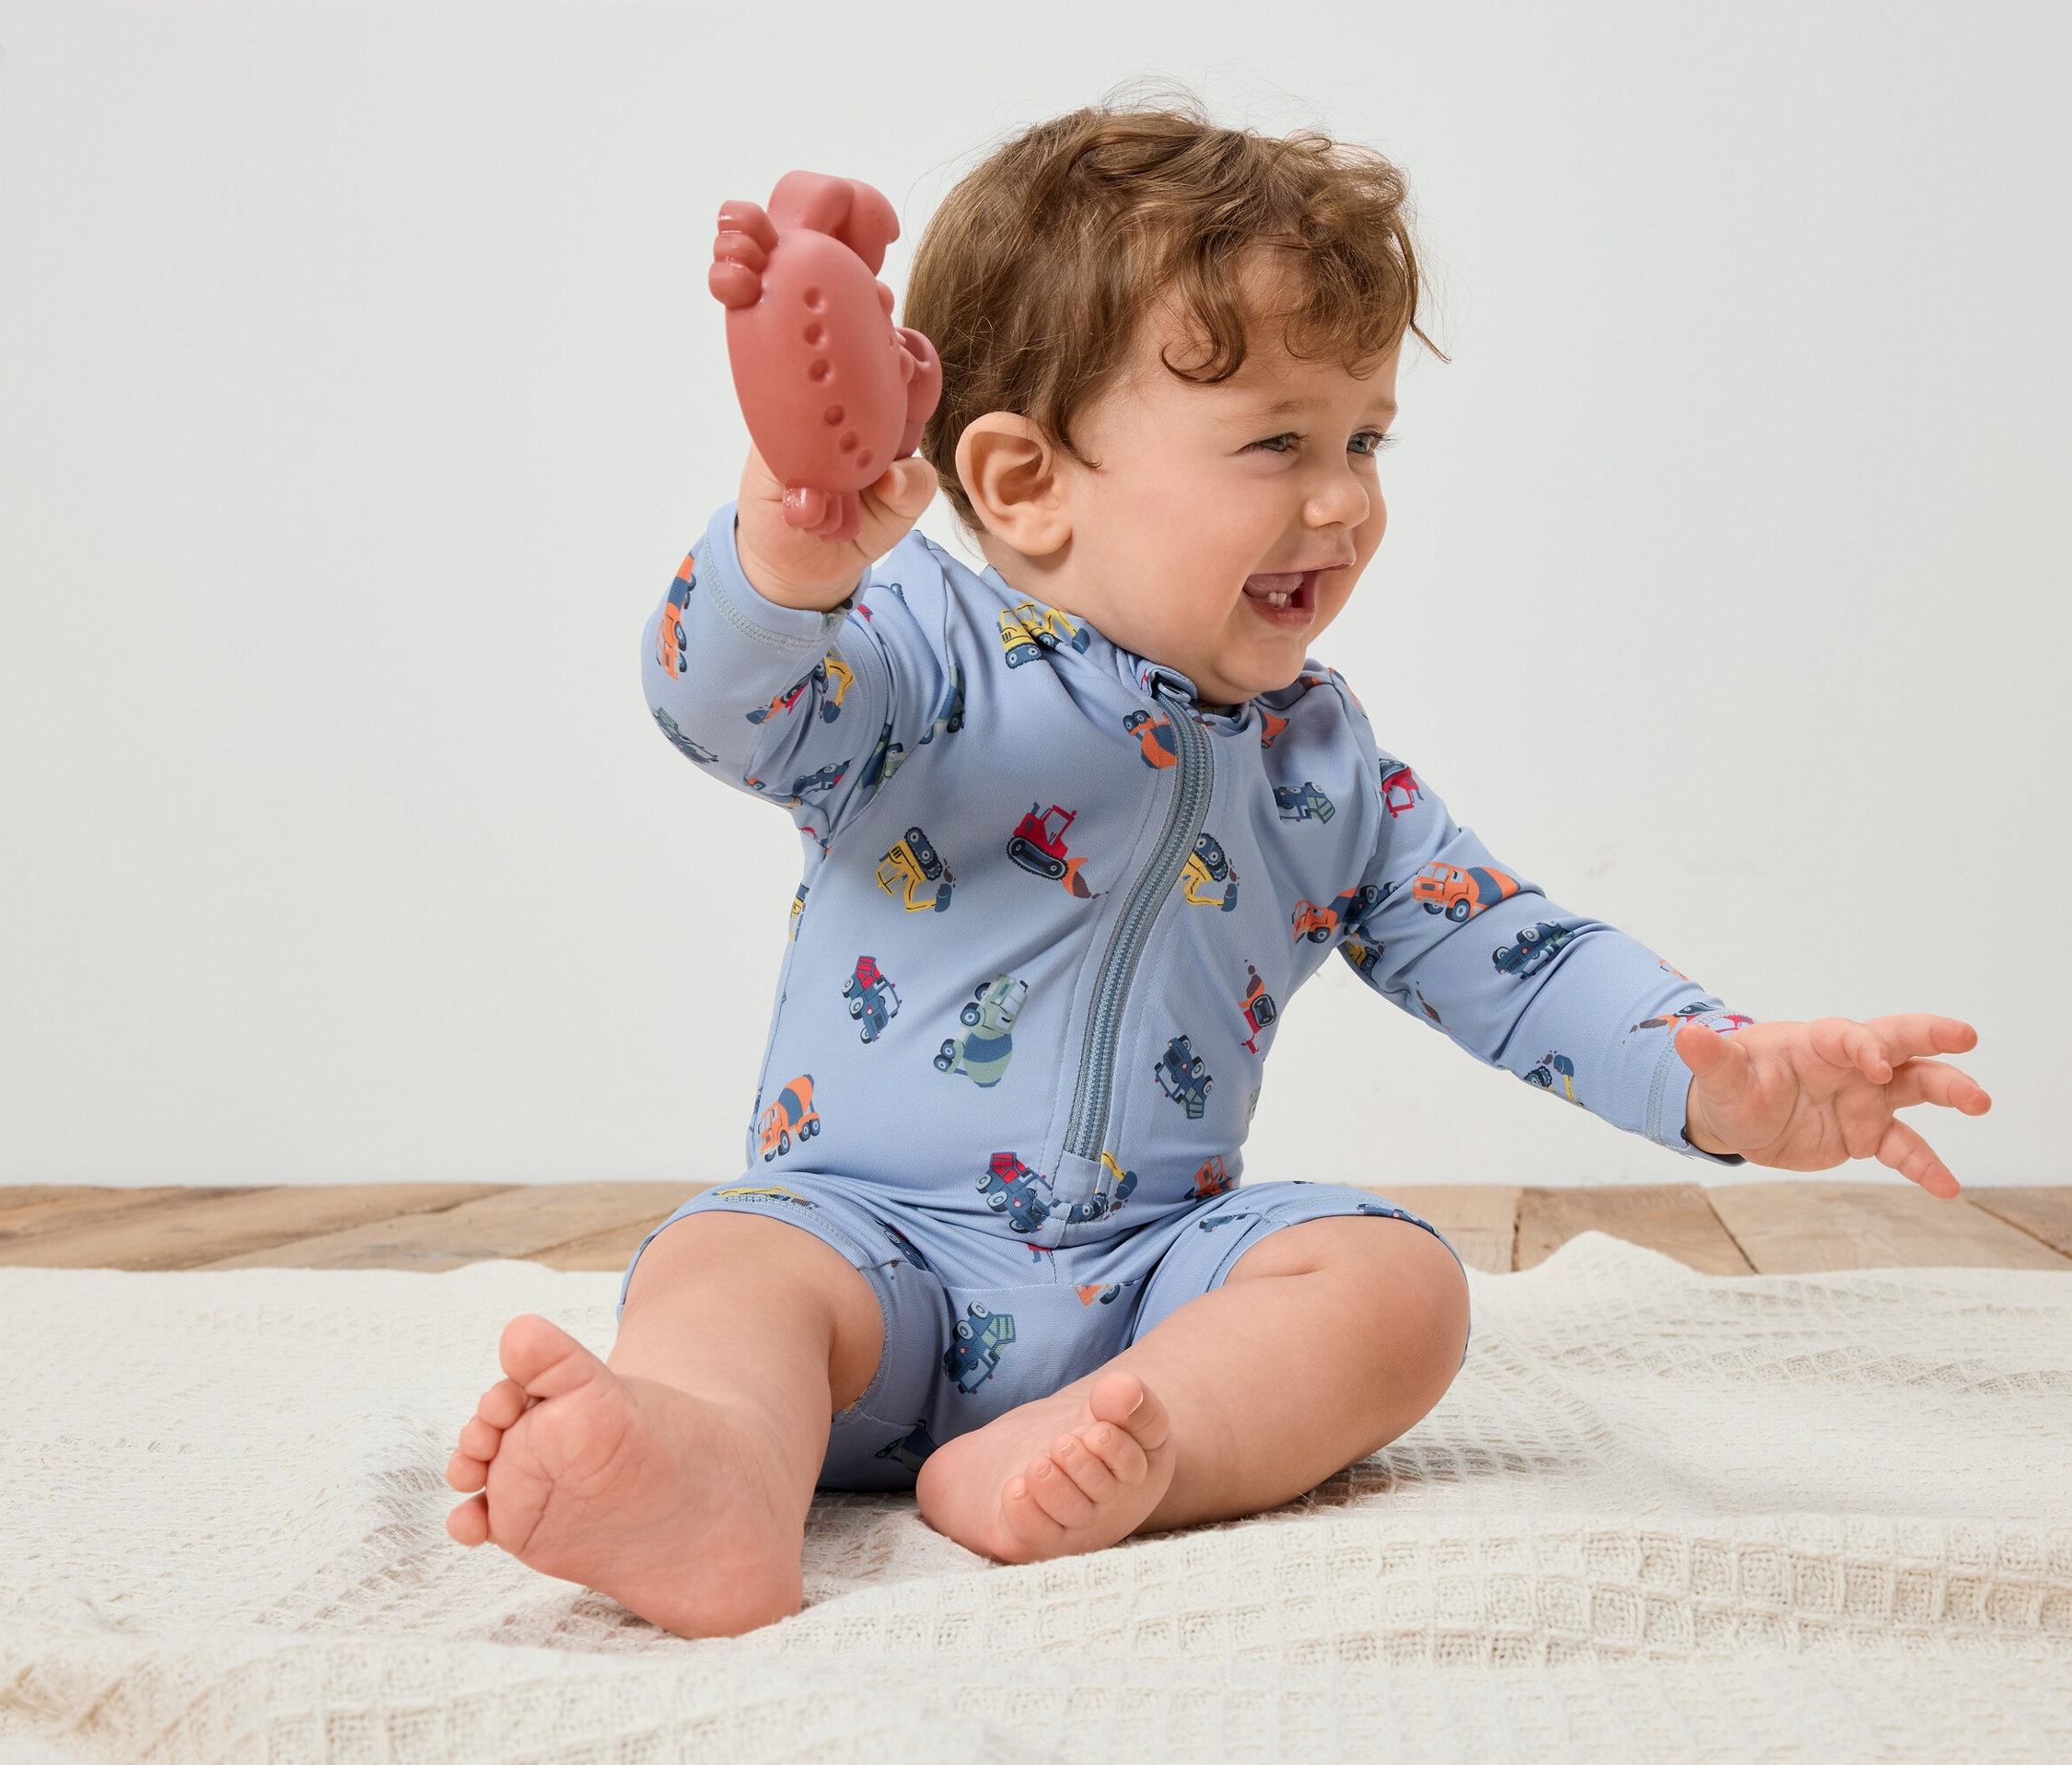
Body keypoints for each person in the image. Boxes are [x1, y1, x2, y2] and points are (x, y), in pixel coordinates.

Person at [442, 100, 1990, 1639]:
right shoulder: (916, 653)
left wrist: (1715, 1075)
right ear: (1025, 481)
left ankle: (1127, 1446)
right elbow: (721, 701)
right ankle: (716, 1463)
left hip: (1144, 1290)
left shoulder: (1323, 764)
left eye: (1363, 438)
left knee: (1394, 1282)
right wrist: (788, 560)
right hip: (863, 1254)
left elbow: (1513, 955)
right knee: (727, 1259)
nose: (1344, 499)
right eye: (1277, 443)